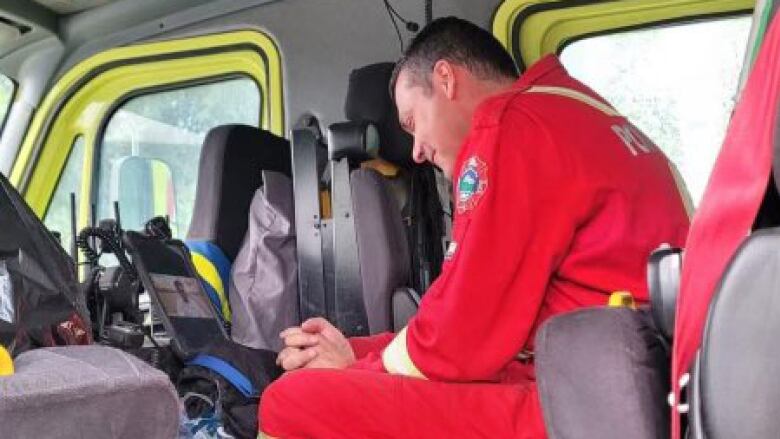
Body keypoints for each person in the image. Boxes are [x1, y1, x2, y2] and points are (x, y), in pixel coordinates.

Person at [259, 16, 690, 438]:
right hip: (633, 380)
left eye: (413, 122)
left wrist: (351, 370)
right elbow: (470, 314)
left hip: (576, 401)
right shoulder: (582, 111)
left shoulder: (511, 128)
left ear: (445, 79)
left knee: (290, 400)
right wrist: (354, 349)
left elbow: (460, 339)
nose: (417, 151)